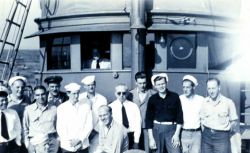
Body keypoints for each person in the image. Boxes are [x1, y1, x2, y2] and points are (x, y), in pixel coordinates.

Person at [145, 73, 183, 153]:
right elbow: (148, 119)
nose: (161, 86)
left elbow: (179, 117)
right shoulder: (152, 99)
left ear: (166, 83)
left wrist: (176, 135)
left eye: (163, 83)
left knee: (176, 151)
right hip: (157, 129)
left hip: (172, 130)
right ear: (155, 86)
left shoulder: (175, 97)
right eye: (158, 84)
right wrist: (151, 138)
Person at [200, 78, 238, 153]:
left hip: (222, 138)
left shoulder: (228, 102)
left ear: (219, 88)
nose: (211, 91)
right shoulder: (204, 102)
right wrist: (205, 131)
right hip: (206, 137)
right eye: (209, 88)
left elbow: (234, 121)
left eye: (213, 88)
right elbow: (202, 118)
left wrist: (225, 132)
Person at [57, 83, 93, 153]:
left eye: (77, 93)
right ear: (68, 94)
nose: (76, 96)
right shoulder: (61, 108)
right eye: (74, 94)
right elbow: (60, 128)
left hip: (82, 145)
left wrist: (79, 139)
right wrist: (70, 142)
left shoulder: (86, 107)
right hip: (67, 146)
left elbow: (89, 125)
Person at [23, 85, 59, 153]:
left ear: (47, 94)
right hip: (36, 143)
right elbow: (25, 129)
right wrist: (27, 145)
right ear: (34, 96)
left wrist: (57, 141)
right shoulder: (28, 110)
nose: (40, 97)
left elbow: (58, 126)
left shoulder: (54, 108)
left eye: (43, 94)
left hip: (52, 143)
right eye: (37, 95)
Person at [127, 71, 156, 152]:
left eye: (144, 83)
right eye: (140, 83)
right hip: (134, 127)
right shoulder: (130, 94)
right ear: (136, 82)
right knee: (134, 149)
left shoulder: (153, 94)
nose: (142, 85)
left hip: (147, 127)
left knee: (148, 149)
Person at [79, 75, 108, 152]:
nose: (91, 87)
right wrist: (84, 134)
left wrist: (94, 132)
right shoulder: (80, 98)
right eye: (88, 85)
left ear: (95, 85)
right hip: (82, 133)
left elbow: (103, 118)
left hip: (97, 133)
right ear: (84, 87)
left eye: (92, 85)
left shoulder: (102, 99)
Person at [109, 84, 141, 149]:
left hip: (131, 135)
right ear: (115, 94)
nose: (121, 95)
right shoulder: (111, 107)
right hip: (117, 136)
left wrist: (136, 141)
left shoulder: (134, 106)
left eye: (124, 93)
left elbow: (138, 124)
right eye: (119, 93)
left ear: (127, 93)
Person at [179, 75, 204, 153]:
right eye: (184, 87)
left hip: (197, 134)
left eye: (188, 87)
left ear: (193, 87)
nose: (185, 90)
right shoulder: (180, 99)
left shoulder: (201, 100)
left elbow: (203, 119)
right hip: (183, 133)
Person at [7, 76, 31, 153]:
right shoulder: (6, 101)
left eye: (22, 87)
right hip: (11, 136)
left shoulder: (27, 99)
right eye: (17, 87)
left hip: (25, 135)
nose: (20, 90)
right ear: (11, 87)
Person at [0, 85, 21, 153]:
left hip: (12, 146)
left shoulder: (13, 113)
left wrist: (18, 142)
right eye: (2, 100)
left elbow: (18, 128)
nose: (5, 102)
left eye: (6, 100)